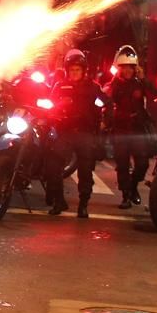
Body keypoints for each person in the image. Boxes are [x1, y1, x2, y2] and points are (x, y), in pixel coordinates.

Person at [45, 49, 112, 218]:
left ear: (83, 71)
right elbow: (49, 105)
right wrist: (58, 106)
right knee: (52, 165)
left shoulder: (93, 87)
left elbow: (107, 103)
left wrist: (104, 121)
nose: (74, 73)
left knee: (85, 170)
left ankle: (83, 205)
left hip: (85, 133)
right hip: (65, 131)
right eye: (72, 70)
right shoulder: (60, 86)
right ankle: (58, 201)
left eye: (78, 70)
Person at [103, 45, 157, 210]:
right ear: (119, 69)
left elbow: (155, 93)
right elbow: (104, 103)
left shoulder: (140, 83)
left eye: (130, 67)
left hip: (138, 128)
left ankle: (133, 186)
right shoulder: (114, 85)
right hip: (120, 130)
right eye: (124, 67)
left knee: (142, 164)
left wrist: (144, 79)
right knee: (122, 164)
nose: (127, 71)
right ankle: (126, 195)